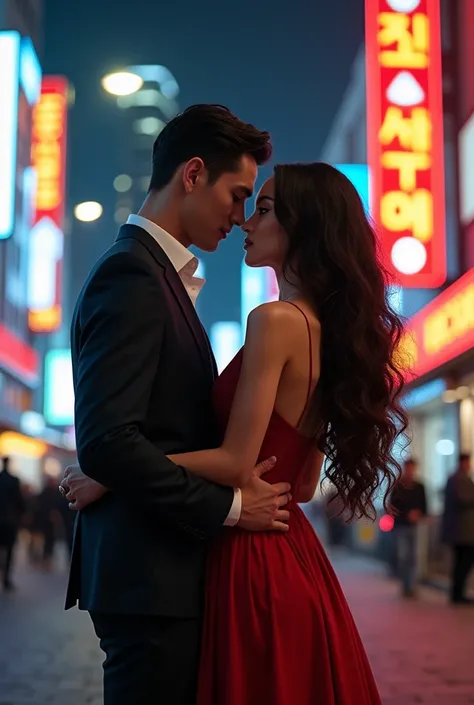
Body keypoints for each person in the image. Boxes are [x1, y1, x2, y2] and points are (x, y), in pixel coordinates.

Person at [64, 161, 408, 704]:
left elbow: (234, 462)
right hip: (294, 553)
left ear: (306, 227)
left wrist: (109, 474)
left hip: (253, 559)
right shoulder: (327, 333)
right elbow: (300, 481)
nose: (247, 222)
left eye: (264, 210)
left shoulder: (275, 321)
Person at [60, 104, 292, 705]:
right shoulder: (133, 276)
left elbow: (135, 441)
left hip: (159, 575)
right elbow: (109, 441)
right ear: (192, 174)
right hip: (148, 581)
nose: (240, 218)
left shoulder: (157, 275)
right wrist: (232, 507)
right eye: (237, 195)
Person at [390, 458, 427, 598]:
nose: (411, 471)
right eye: (409, 468)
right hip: (401, 525)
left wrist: (419, 513)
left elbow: (424, 505)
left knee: (414, 556)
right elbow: (393, 505)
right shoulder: (398, 486)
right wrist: (406, 515)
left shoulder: (420, 486)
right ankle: (405, 585)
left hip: (415, 525)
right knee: (403, 555)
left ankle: (411, 585)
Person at [442, 453, 474, 605]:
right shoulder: (458, 479)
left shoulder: (457, 478)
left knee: (462, 561)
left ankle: (458, 593)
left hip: (461, 530)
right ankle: (457, 594)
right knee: (463, 561)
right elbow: (463, 500)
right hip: (462, 531)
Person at [0, 456, 25, 591]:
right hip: (10, 520)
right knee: (9, 550)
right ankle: (6, 578)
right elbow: (19, 501)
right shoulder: (13, 480)